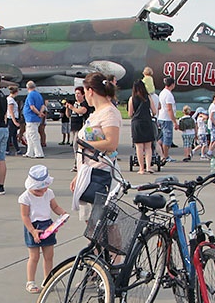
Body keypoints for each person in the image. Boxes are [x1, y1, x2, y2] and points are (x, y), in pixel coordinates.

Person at [71, 73, 121, 215]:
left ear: (90, 91)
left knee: (103, 224)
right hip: (88, 172)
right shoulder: (97, 113)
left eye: (85, 92)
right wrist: (79, 174)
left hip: (100, 174)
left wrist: (85, 144)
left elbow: (111, 143)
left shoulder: (109, 112)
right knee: (91, 224)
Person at [19, 165, 66, 294]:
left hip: (47, 225)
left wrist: (62, 213)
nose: (42, 192)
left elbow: (55, 206)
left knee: (49, 255)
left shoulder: (49, 193)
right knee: (34, 256)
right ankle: (30, 281)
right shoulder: (25, 197)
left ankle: (47, 279)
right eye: (37, 190)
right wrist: (32, 231)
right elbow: (24, 216)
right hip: (33, 226)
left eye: (43, 189)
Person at [127, 79, 157, 174]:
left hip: (137, 122)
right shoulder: (148, 97)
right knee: (148, 146)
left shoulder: (132, 99)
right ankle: (148, 166)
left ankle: (141, 168)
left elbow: (130, 113)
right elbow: (154, 111)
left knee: (139, 147)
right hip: (147, 121)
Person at [66, 86, 89, 171]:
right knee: (75, 147)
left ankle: (79, 164)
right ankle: (77, 163)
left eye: (79, 93)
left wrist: (72, 108)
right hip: (74, 126)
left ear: (83, 94)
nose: (77, 95)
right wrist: (68, 108)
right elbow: (68, 115)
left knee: (77, 145)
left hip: (81, 127)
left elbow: (82, 111)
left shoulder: (84, 104)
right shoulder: (74, 104)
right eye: (75, 93)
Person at [23, 81, 46, 158]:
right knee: (28, 135)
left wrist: (38, 113)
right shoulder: (38, 94)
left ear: (27, 88)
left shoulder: (30, 95)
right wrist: (40, 112)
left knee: (33, 136)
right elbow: (43, 105)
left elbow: (32, 107)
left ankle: (39, 153)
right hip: (35, 119)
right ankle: (29, 152)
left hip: (31, 118)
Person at [157, 77, 177, 162]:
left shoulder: (162, 93)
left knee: (161, 138)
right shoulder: (169, 95)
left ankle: (160, 153)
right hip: (166, 119)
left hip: (161, 117)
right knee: (167, 139)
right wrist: (174, 121)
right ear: (172, 84)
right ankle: (165, 156)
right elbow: (169, 109)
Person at [5, 85, 22, 155]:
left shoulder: (11, 99)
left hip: (12, 118)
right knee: (10, 134)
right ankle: (6, 149)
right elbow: (11, 111)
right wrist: (14, 121)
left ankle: (17, 149)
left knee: (14, 135)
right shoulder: (10, 100)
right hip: (12, 119)